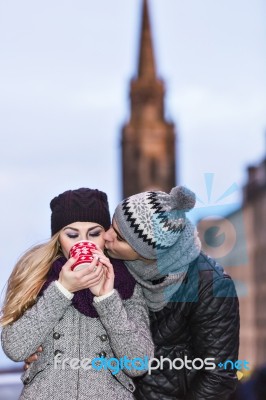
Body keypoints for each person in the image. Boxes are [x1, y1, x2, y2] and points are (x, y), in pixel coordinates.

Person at [0, 188, 154, 400]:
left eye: (94, 233)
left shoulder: (126, 282)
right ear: (58, 238)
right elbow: (15, 349)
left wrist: (107, 299)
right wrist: (62, 290)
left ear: (106, 236)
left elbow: (138, 364)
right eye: (72, 235)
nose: (85, 243)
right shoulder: (37, 276)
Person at [103, 185, 240, 400]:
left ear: (148, 253)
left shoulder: (211, 285)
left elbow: (219, 374)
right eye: (112, 225)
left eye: (119, 237)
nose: (106, 236)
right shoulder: (111, 262)